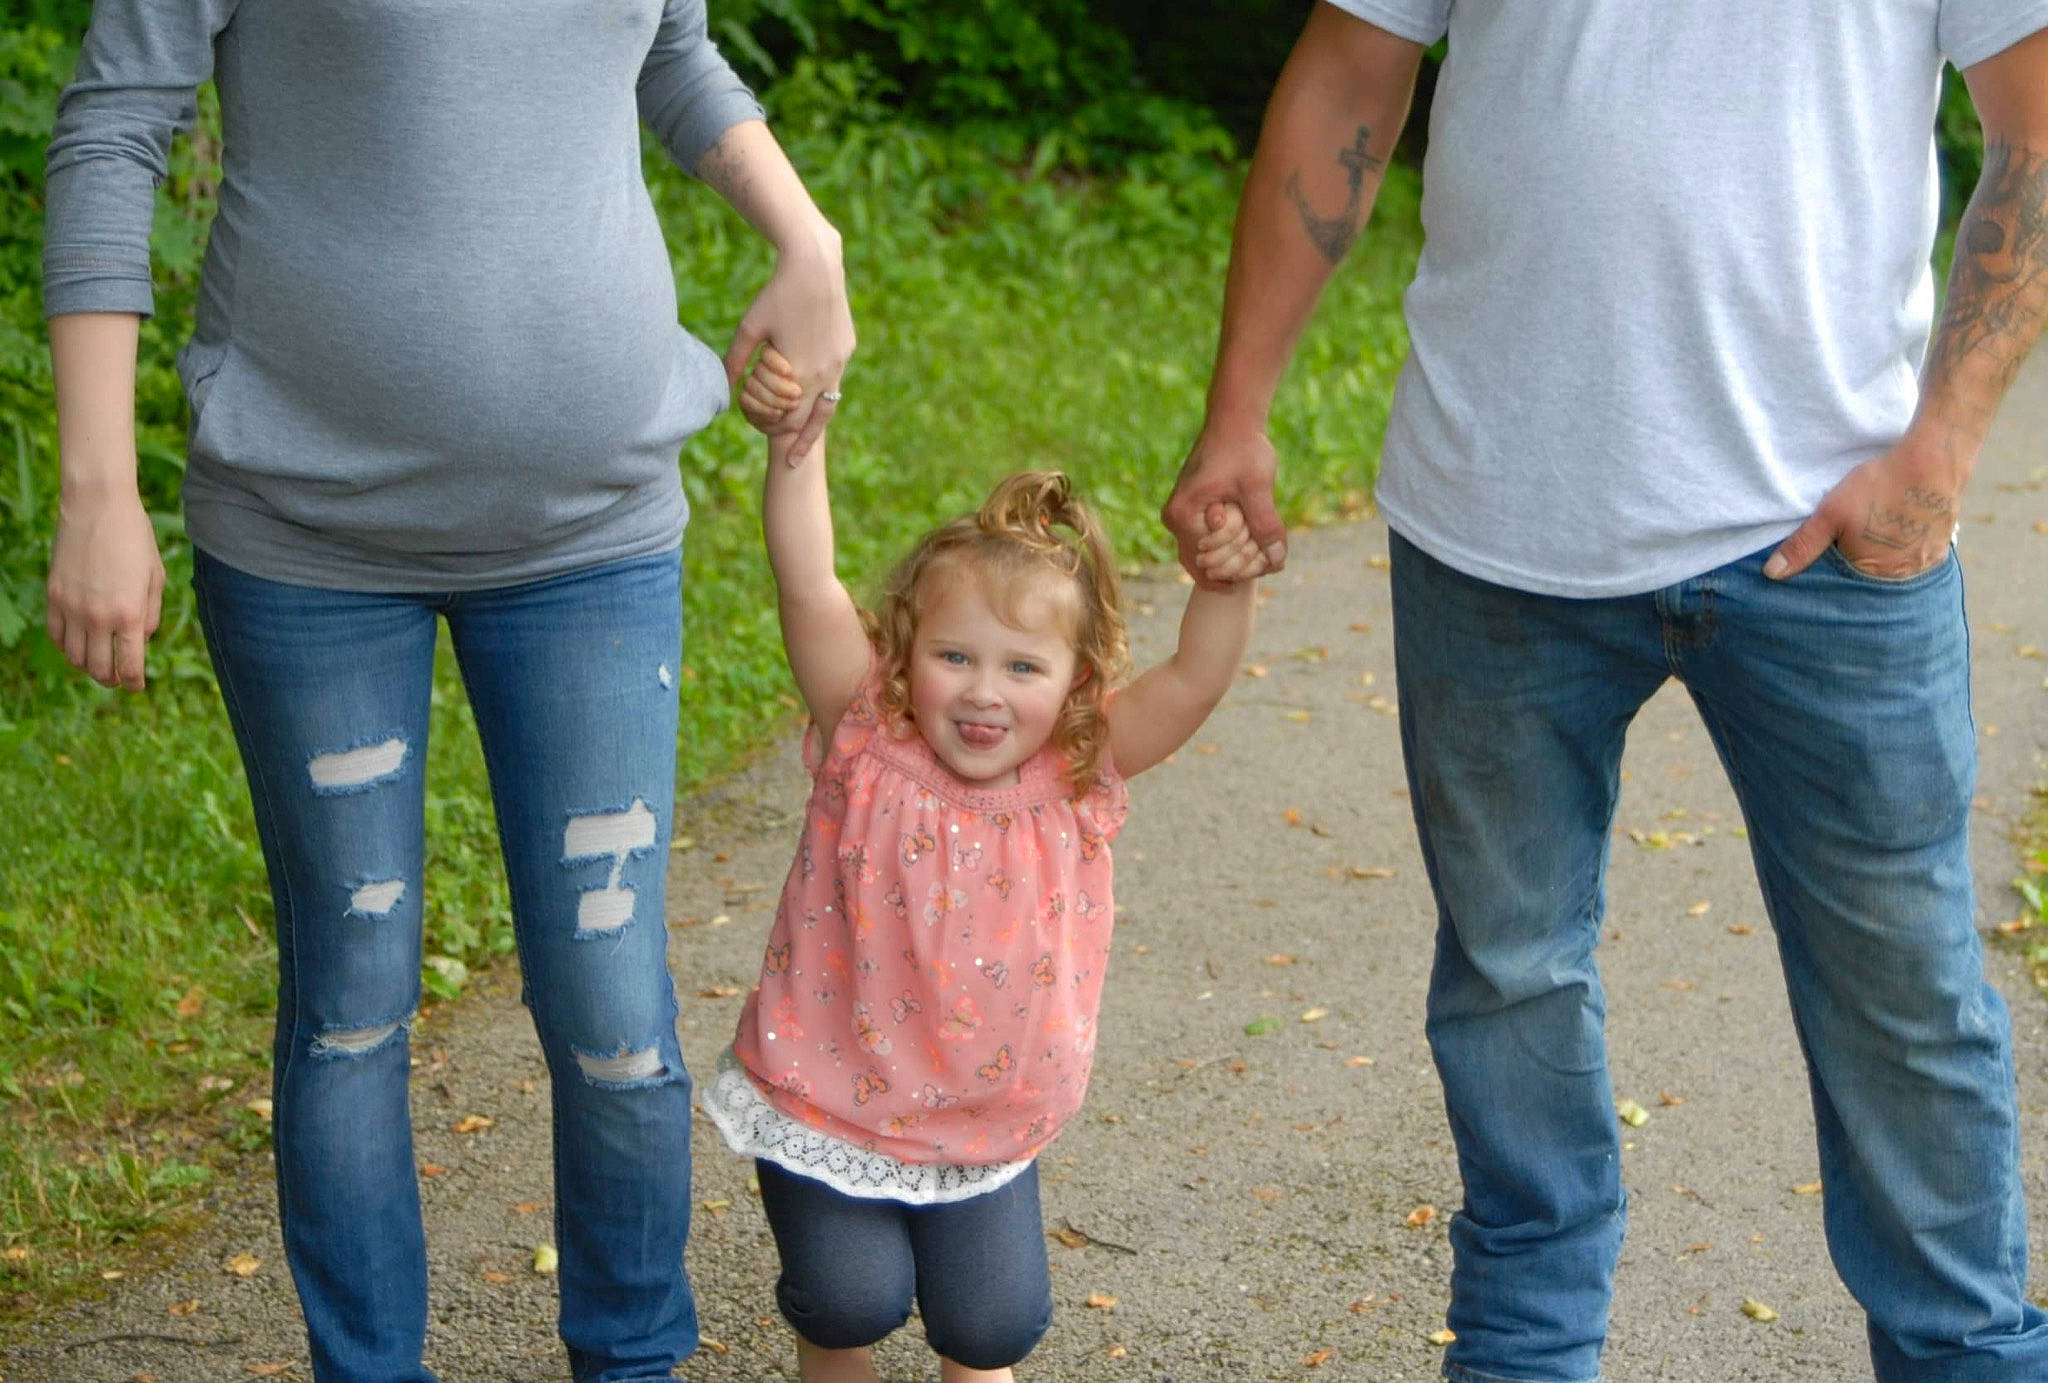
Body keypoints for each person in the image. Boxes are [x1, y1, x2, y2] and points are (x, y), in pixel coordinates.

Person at [1163, 4, 2048, 1382]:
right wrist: (1237, 413)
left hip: (1832, 529)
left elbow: (2037, 126)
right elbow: (1351, 67)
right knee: (1509, 979)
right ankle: (1522, 1358)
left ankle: (1969, 1358)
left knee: (1906, 999)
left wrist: (1939, 448)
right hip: (1492, 516)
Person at [40, 3, 853, 1380]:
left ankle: (634, 1361)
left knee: (611, 1007)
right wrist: (97, 484)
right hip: (308, 537)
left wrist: (807, 232)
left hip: (591, 532)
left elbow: (665, 50)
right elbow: (116, 125)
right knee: (353, 998)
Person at [701, 347, 1263, 1383]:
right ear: (906, 652)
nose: (981, 693)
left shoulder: (1078, 769)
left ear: (1076, 680)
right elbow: (807, 584)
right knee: (848, 1297)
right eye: (954, 656)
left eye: (1021, 667)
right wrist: (795, 448)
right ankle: (827, 1350)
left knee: (992, 1328)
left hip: (983, 1117)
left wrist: (1221, 582)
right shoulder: (869, 738)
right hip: (830, 1093)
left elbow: (1190, 678)